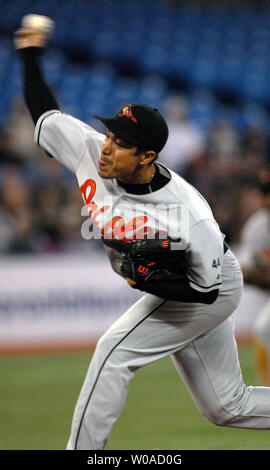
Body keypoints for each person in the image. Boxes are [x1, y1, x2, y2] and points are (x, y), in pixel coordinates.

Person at [14, 16, 270, 451]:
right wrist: (31, 54)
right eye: (110, 133)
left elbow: (206, 293)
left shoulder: (189, 216)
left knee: (112, 353)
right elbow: (46, 114)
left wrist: (153, 280)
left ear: (147, 155)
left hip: (210, 283)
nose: (107, 146)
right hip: (190, 284)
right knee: (225, 406)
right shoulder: (91, 150)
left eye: (121, 142)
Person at [239, 171, 270, 386]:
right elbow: (256, 275)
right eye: (265, 193)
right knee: (264, 328)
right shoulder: (257, 228)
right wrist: (248, 275)